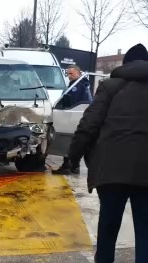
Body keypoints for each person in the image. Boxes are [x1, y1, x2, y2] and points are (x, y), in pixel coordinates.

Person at [67, 43, 148, 263]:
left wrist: (72, 157)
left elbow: (88, 125)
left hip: (111, 169)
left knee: (108, 230)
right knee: (145, 232)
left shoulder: (110, 86)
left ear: (125, 64)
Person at [52, 64, 93, 175]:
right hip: (79, 116)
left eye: (71, 73)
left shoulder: (77, 85)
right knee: (74, 141)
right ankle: (74, 166)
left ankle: (68, 166)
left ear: (78, 73)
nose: (69, 76)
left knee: (68, 141)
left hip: (73, 115)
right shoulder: (82, 84)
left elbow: (72, 102)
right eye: (68, 73)